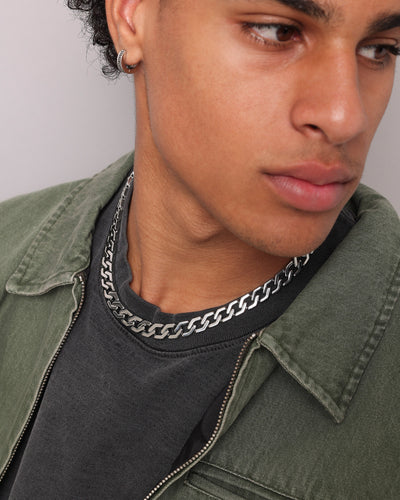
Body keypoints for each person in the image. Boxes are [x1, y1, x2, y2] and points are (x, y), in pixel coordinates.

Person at [1, 0, 399, 498]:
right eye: (276, 31)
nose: (346, 117)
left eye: (380, 49)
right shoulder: (9, 243)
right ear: (131, 15)